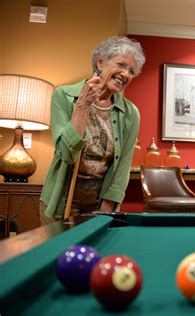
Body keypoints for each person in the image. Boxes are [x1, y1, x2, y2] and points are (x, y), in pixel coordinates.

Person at [40, 36, 146, 224]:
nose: (125, 74)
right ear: (100, 62)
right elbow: (65, 153)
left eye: (131, 71)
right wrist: (83, 105)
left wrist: (105, 211)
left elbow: (122, 167)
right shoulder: (63, 96)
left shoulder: (131, 114)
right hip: (61, 200)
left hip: (100, 204)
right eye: (121, 64)